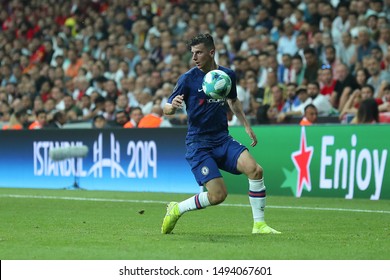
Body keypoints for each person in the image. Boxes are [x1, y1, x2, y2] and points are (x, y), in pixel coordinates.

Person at [161, 33, 280, 235]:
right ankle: (177, 208)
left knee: (255, 170)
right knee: (218, 195)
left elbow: (233, 101)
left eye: (198, 53)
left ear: (212, 52)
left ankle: (259, 225)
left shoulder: (226, 76)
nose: (194, 58)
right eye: (193, 53)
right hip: (199, 144)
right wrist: (172, 107)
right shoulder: (188, 79)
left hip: (222, 139)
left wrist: (246, 126)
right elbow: (166, 108)